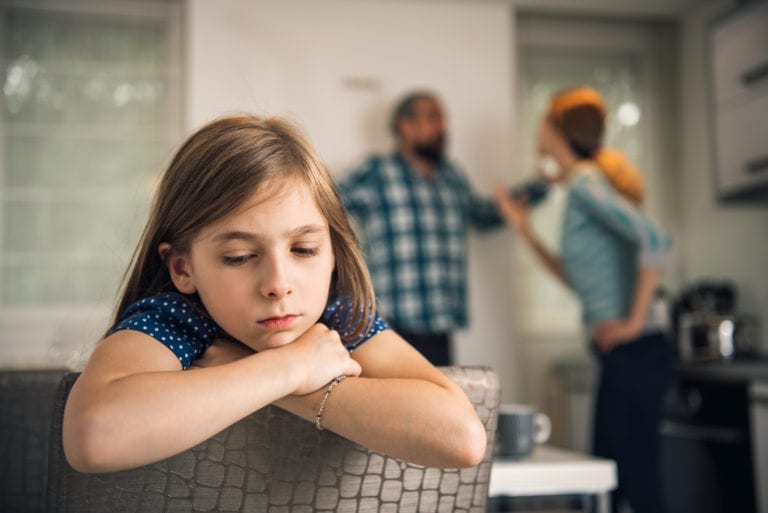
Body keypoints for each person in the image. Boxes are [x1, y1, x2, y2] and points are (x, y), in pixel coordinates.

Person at [62, 114, 486, 474]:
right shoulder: (177, 318)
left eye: (304, 249)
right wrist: (288, 368)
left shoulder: (338, 317)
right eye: (240, 256)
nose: (279, 284)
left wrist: (281, 379)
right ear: (183, 268)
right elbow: (94, 436)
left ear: (333, 254)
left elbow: (461, 438)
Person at [494, 86, 675, 513]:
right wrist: (524, 230)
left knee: (630, 482)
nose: (537, 129)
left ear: (555, 129)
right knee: (613, 481)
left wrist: (631, 323)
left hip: (636, 350)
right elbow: (575, 278)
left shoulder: (583, 185)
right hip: (623, 355)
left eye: (542, 121)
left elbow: (656, 238)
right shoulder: (581, 185)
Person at [338, 91, 505, 366]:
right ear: (405, 125)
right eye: (433, 117)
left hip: (441, 323)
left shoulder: (452, 176)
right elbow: (327, 203)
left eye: (442, 119)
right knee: (392, 406)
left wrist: (536, 189)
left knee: (437, 404)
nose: (442, 127)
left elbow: (483, 216)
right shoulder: (377, 172)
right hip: (389, 325)